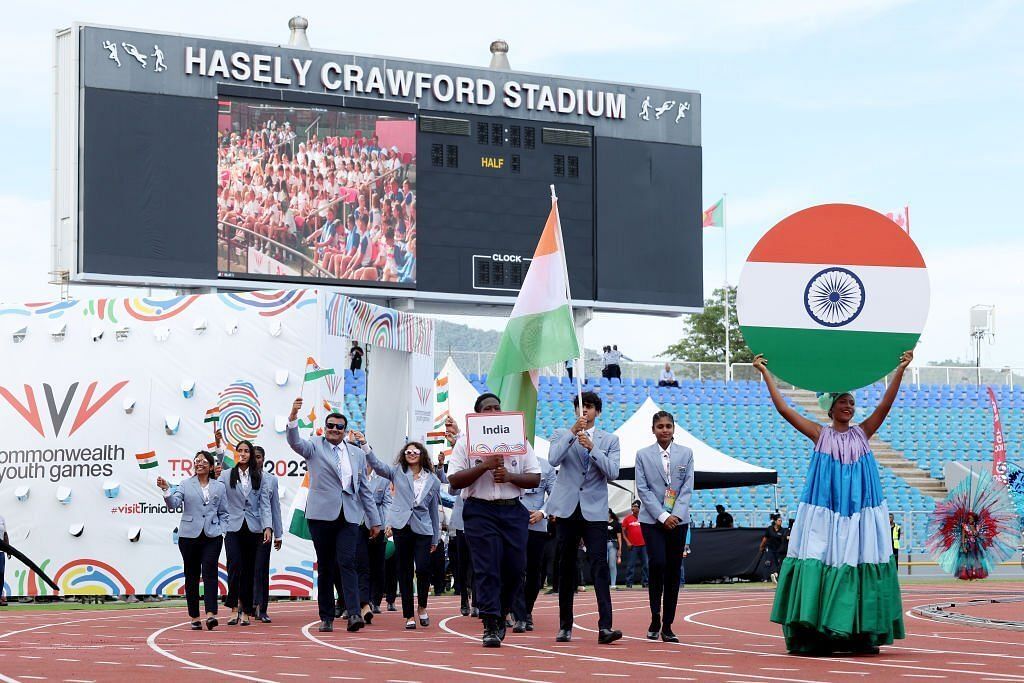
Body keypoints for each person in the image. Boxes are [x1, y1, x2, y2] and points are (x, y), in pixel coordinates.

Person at [756, 350, 912, 655]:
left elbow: (886, 404)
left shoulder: (864, 433)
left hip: (860, 513)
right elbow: (785, 410)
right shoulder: (819, 434)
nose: (849, 407)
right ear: (830, 407)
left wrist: (901, 370)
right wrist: (766, 374)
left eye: (852, 403)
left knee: (858, 559)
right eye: (843, 402)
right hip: (824, 511)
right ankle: (817, 634)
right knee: (824, 558)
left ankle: (859, 634)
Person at [447, 393, 541, 648]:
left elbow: (535, 478)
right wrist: (484, 466)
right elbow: (453, 480)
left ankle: (502, 612)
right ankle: (489, 622)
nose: (494, 412)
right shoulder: (465, 443)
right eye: (487, 409)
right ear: (478, 416)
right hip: (479, 510)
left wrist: (510, 476)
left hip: (512, 511)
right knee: (487, 568)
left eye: (497, 407)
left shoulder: (518, 440)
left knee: (515, 568)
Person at [286, 399, 381, 633]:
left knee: (348, 563)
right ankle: (327, 616)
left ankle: (354, 614)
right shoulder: (314, 446)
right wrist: (293, 416)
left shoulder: (357, 454)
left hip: (348, 515)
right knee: (327, 566)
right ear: (325, 426)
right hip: (320, 516)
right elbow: (295, 442)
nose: (334, 429)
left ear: (345, 430)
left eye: (339, 427)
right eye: (331, 425)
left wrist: (375, 520)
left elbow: (364, 489)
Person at [548, 391, 622, 644]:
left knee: (599, 565)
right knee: (566, 567)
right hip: (568, 508)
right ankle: (565, 625)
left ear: (597, 412)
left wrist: (593, 449)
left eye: (589, 407)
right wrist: (572, 433)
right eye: (580, 406)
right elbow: (552, 459)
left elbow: (612, 472)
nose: (585, 411)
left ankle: (605, 627)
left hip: (595, 510)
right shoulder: (561, 434)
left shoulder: (609, 440)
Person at [364, 441, 441, 630]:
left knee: (423, 568)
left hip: (423, 528)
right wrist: (366, 446)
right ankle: (409, 615)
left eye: (415, 451)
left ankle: (422, 606)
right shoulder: (397, 472)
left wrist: (435, 538)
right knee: (404, 570)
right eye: (408, 451)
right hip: (401, 527)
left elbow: (433, 511)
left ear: (422, 454)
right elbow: (377, 464)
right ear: (404, 454)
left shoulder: (433, 480)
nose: (412, 454)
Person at [634, 410, 695, 643]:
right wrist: (661, 516)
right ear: (653, 429)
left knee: (673, 571)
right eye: (660, 426)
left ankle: (668, 624)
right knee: (657, 564)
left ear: (674, 428)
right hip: (652, 521)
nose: (665, 430)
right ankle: (654, 617)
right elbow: (643, 489)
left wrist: (675, 516)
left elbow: (687, 488)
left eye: (668, 426)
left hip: (678, 521)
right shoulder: (643, 455)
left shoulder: (686, 454)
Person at [157, 451, 230, 630]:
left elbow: (224, 513)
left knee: (210, 573)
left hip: (212, 536)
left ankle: (211, 614)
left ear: (211, 466)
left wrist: (222, 531)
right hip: (188, 536)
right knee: (191, 576)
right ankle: (195, 616)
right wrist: (166, 489)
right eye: (197, 461)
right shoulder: (185, 484)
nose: (200, 464)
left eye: (204, 461)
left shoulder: (219, 487)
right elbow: (173, 504)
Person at [218, 439, 273, 626]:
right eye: (239, 450)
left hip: (254, 528)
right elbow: (217, 497)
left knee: (249, 570)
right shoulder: (226, 475)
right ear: (236, 454)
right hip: (232, 527)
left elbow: (265, 504)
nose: (243, 453)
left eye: (246, 451)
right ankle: (234, 608)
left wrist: (268, 527)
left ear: (250, 455)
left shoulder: (260, 477)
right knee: (234, 566)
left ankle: (246, 611)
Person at [515, 454, 556, 631]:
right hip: (513, 525)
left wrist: (543, 512)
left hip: (537, 526)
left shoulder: (546, 466)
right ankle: (518, 614)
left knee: (534, 572)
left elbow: (555, 494)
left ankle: (527, 610)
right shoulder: (507, 462)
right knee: (515, 569)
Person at [252, 446, 283, 623]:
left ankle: (262, 608)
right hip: (245, 530)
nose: (256, 460)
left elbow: (275, 508)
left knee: (262, 569)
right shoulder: (241, 478)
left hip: (265, 531)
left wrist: (277, 533)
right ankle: (247, 605)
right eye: (253, 457)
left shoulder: (271, 480)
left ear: (263, 459)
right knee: (247, 569)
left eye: (259, 457)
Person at [366, 461, 393, 613]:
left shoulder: (382, 478)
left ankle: (375, 600)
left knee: (378, 565)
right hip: (360, 524)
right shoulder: (356, 475)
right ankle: (363, 599)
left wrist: (387, 523)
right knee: (363, 564)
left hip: (379, 525)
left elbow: (387, 502)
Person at [622, 501, 648, 588]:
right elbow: (623, 531)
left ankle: (645, 583)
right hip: (633, 546)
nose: (633, 508)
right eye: (632, 506)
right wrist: (627, 542)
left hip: (644, 545)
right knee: (630, 565)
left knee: (646, 565)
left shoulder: (644, 518)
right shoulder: (627, 519)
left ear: (640, 508)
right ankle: (628, 583)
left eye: (635, 506)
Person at [760, 515, 786, 583]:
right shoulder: (770, 528)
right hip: (770, 548)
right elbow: (765, 538)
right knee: (767, 562)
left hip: (778, 550)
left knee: (778, 564)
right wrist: (762, 546)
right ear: (775, 521)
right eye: (779, 520)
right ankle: (765, 578)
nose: (780, 522)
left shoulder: (783, 530)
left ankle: (776, 577)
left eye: (781, 521)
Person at [606, 509, 623, 590]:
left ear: (610, 514)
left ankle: (613, 583)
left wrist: (620, 549)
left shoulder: (616, 524)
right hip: (603, 545)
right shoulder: (602, 523)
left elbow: (619, 537)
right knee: (603, 564)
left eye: (607, 513)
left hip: (612, 544)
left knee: (612, 565)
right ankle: (603, 583)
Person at [0, 512, 7, 607]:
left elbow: (5, 534)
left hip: (0, 552)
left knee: (0, 575)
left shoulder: (1, 518)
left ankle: (0, 597)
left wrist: (8, 549)